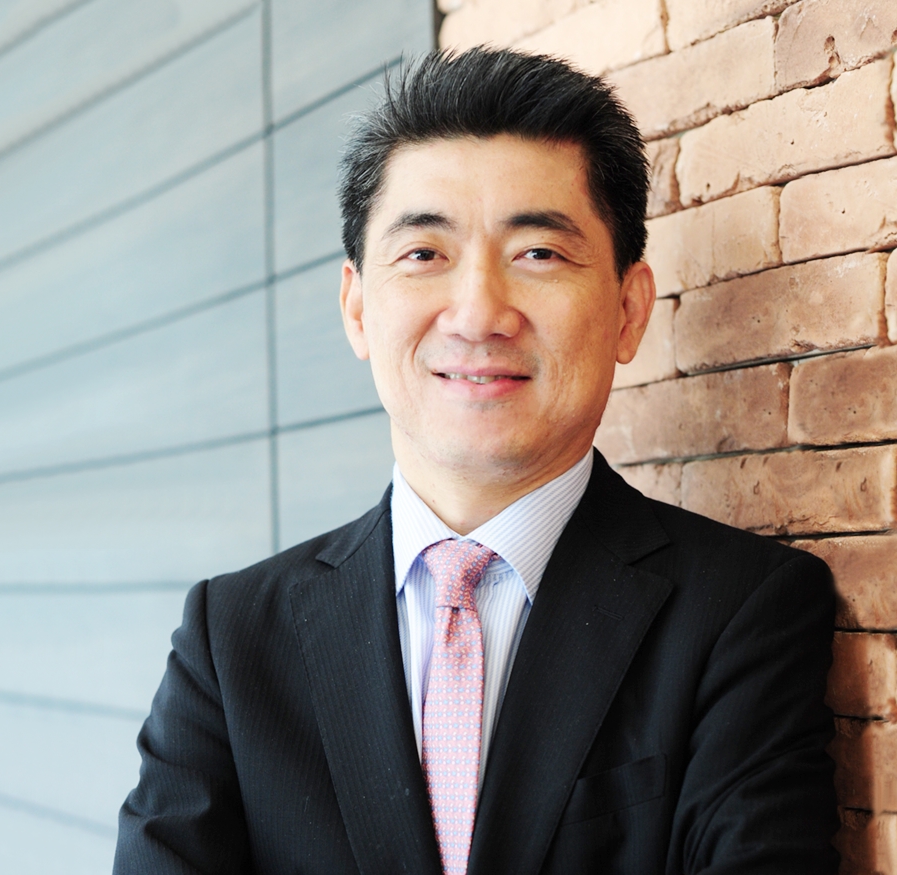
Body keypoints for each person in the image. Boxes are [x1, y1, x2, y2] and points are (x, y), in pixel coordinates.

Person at [114, 47, 839, 875]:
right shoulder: (233, 638)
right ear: (357, 307)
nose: (478, 313)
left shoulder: (738, 613)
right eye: (424, 254)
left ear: (628, 309)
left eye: (538, 253)